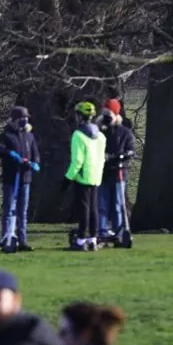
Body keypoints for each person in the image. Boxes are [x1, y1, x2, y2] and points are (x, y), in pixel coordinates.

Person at [0, 106, 40, 251]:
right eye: (21, 119)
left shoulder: (29, 136)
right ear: (14, 120)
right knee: (9, 210)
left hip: (25, 179)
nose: (25, 121)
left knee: (22, 211)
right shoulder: (6, 135)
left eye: (26, 118)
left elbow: (35, 153)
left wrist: (35, 163)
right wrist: (9, 153)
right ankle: (6, 238)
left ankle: (22, 240)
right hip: (11, 179)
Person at [64, 101, 106, 251]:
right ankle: (93, 239)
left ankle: (81, 240)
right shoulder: (100, 136)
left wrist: (68, 178)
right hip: (96, 176)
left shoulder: (78, 135)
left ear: (80, 116)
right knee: (94, 209)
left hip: (82, 176)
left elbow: (77, 161)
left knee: (84, 209)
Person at [98, 100, 135, 239]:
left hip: (119, 173)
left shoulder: (124, 132)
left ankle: (118, 231)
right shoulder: (100, 131)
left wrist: (123, 156)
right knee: (102, 205)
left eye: (109, 113)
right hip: (103, 173)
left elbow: (131, 149)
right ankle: (101, 231)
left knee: (118, 205)